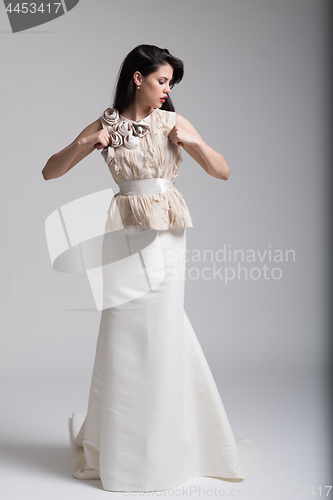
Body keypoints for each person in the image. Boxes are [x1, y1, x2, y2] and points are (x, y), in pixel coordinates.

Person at [42, 44, 260, 492]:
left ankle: (165, 448)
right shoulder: (107, 124)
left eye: (171, 84)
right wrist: (87, 142)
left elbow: (222, 171)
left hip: (165, 236)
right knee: (121, 334)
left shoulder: (174, 123)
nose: (167, 90)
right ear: (137, 78)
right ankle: (122, 447)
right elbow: (50, 171)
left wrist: (195, 143)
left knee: (161, 333)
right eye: (162, 81)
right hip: (122, 234)